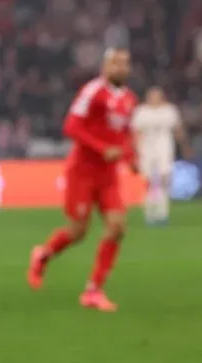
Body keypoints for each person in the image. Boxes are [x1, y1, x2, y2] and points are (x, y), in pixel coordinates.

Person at [27, 48, 138, 311]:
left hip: (108, 175)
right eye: (115, 63)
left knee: (118, 227)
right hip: (82, 173)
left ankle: (93, 291)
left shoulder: (129, 99)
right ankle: (43, 254)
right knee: (78, 231)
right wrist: (102, 148)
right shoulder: (92, 92)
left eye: (124, 63)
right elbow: (71, 126)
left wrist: (131, 157)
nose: (120, 68)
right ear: (105, 67)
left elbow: (124, 132)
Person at [131, 86, 192, 225]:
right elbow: (135, 132)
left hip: (165, 148)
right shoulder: (141, 112)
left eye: (157, 95)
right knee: (148, 182)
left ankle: (162, 213)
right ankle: (149, 213)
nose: (154, 98)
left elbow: (178, 129)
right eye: (152, 96)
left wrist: (185, 147)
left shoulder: (169, 111)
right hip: (146, 149)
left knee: (164, 179)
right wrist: (135, 150)